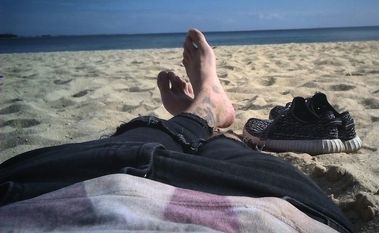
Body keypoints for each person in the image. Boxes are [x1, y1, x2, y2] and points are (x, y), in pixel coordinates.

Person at [0, 29, 353, 233]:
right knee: (228, 155)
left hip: (38, 190)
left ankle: (200, 111)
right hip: (273, 210)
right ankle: (203, 111)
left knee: (141, 140)